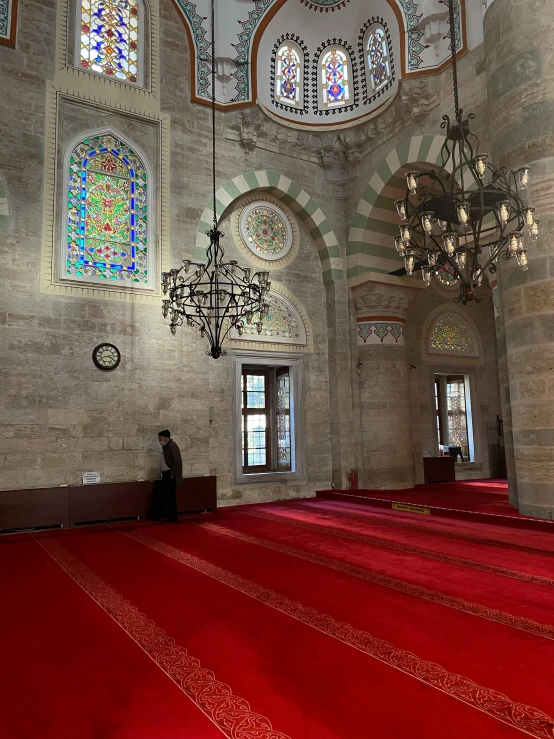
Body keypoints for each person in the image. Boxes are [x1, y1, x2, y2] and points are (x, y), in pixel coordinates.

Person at [158, 430, 182, 522]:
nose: (159, 440)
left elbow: (177, 461)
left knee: (171, 496)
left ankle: (173, 517)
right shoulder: (166, 446)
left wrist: (172, 474)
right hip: (166, 474)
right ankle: (169, 515)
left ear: (165, 437)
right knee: (167, 496)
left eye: (160, 438)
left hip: (170, 475)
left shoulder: (172, 446)